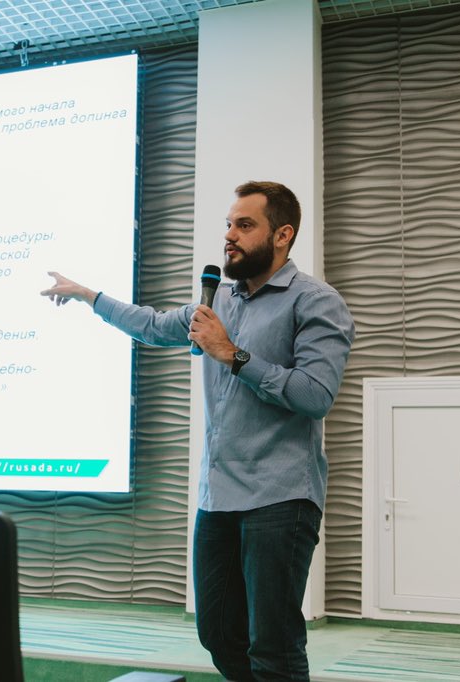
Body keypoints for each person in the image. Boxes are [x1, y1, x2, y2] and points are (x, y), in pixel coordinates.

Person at [40, 180, 354, 681]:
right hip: (219, 498)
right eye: (228, 224)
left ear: (282, 235)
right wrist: (88, 296)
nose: (229, 235)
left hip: (281, 498)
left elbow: (315, 395)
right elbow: (151, 324)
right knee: (219, 633)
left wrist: (232, 354)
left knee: (273, 644)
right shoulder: (218, 302)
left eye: (244, 225)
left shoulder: (316, 301)